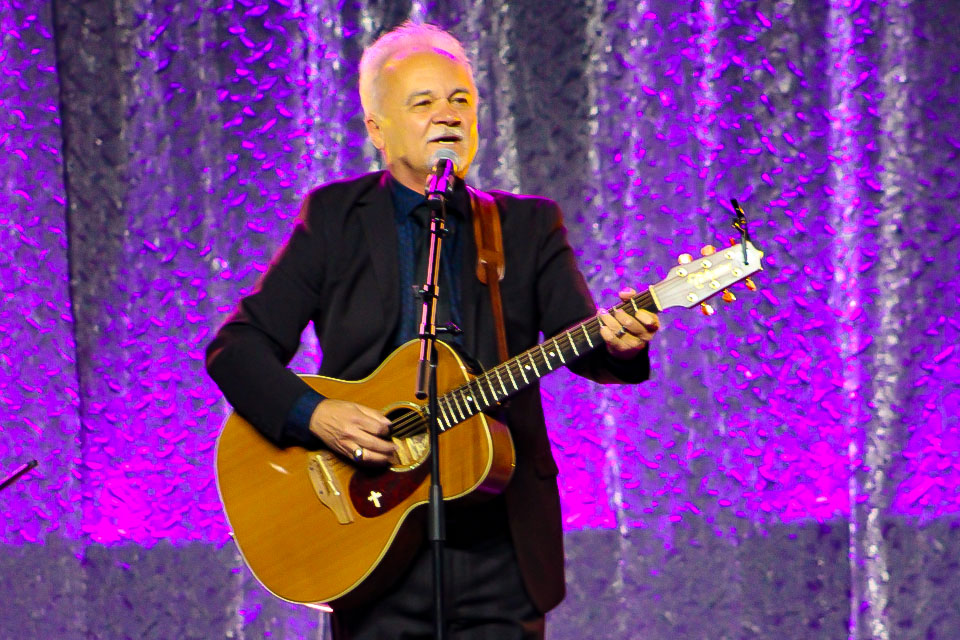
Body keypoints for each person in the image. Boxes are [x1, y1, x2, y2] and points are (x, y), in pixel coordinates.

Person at [205, 21, 660, 640]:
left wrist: (622, 344)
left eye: (460, 100)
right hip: (368, 541)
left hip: (500, 546)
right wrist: (316, 415)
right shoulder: (335, 218)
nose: (448, 115)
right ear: (377, 129)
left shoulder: (527, 227)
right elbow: (236, 349)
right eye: (423, 103)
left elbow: (586, 342)